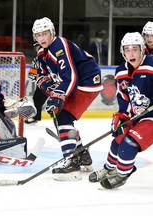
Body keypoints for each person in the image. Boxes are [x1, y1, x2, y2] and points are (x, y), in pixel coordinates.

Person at [88, 32, 153, 189]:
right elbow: (124, 98)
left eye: (135, 49)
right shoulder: (120, 71)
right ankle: (109, 169)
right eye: (127, 50)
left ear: (142, 49)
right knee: (117, 141)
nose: (131, 53)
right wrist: (122, 116)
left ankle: (122, 174)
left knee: (128, 144)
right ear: (122, 51)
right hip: (137, 116)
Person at [32, 17, 103, 181]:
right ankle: (82, 155)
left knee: (63, 117)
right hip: (78, 83)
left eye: (45, 33)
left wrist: (58, 96)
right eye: (38, 35)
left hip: (87, 81)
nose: (42, 38)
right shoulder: (43, 53)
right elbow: (43, 77)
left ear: (52, 33)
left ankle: (71, 163)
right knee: (61, 117)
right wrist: (49, 89)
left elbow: (70, 77)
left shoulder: (59, 45)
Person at [25, 42, 48, 124]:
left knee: (54, 100)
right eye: (36, 47)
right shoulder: (36, 59)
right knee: (37, 99)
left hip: (51, 82)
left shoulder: (48, 56)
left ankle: (37, 116)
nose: (37, 49)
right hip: (42, 83)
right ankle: (37, 116)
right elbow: (31, 74)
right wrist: (36, 76)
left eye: (38, 46)